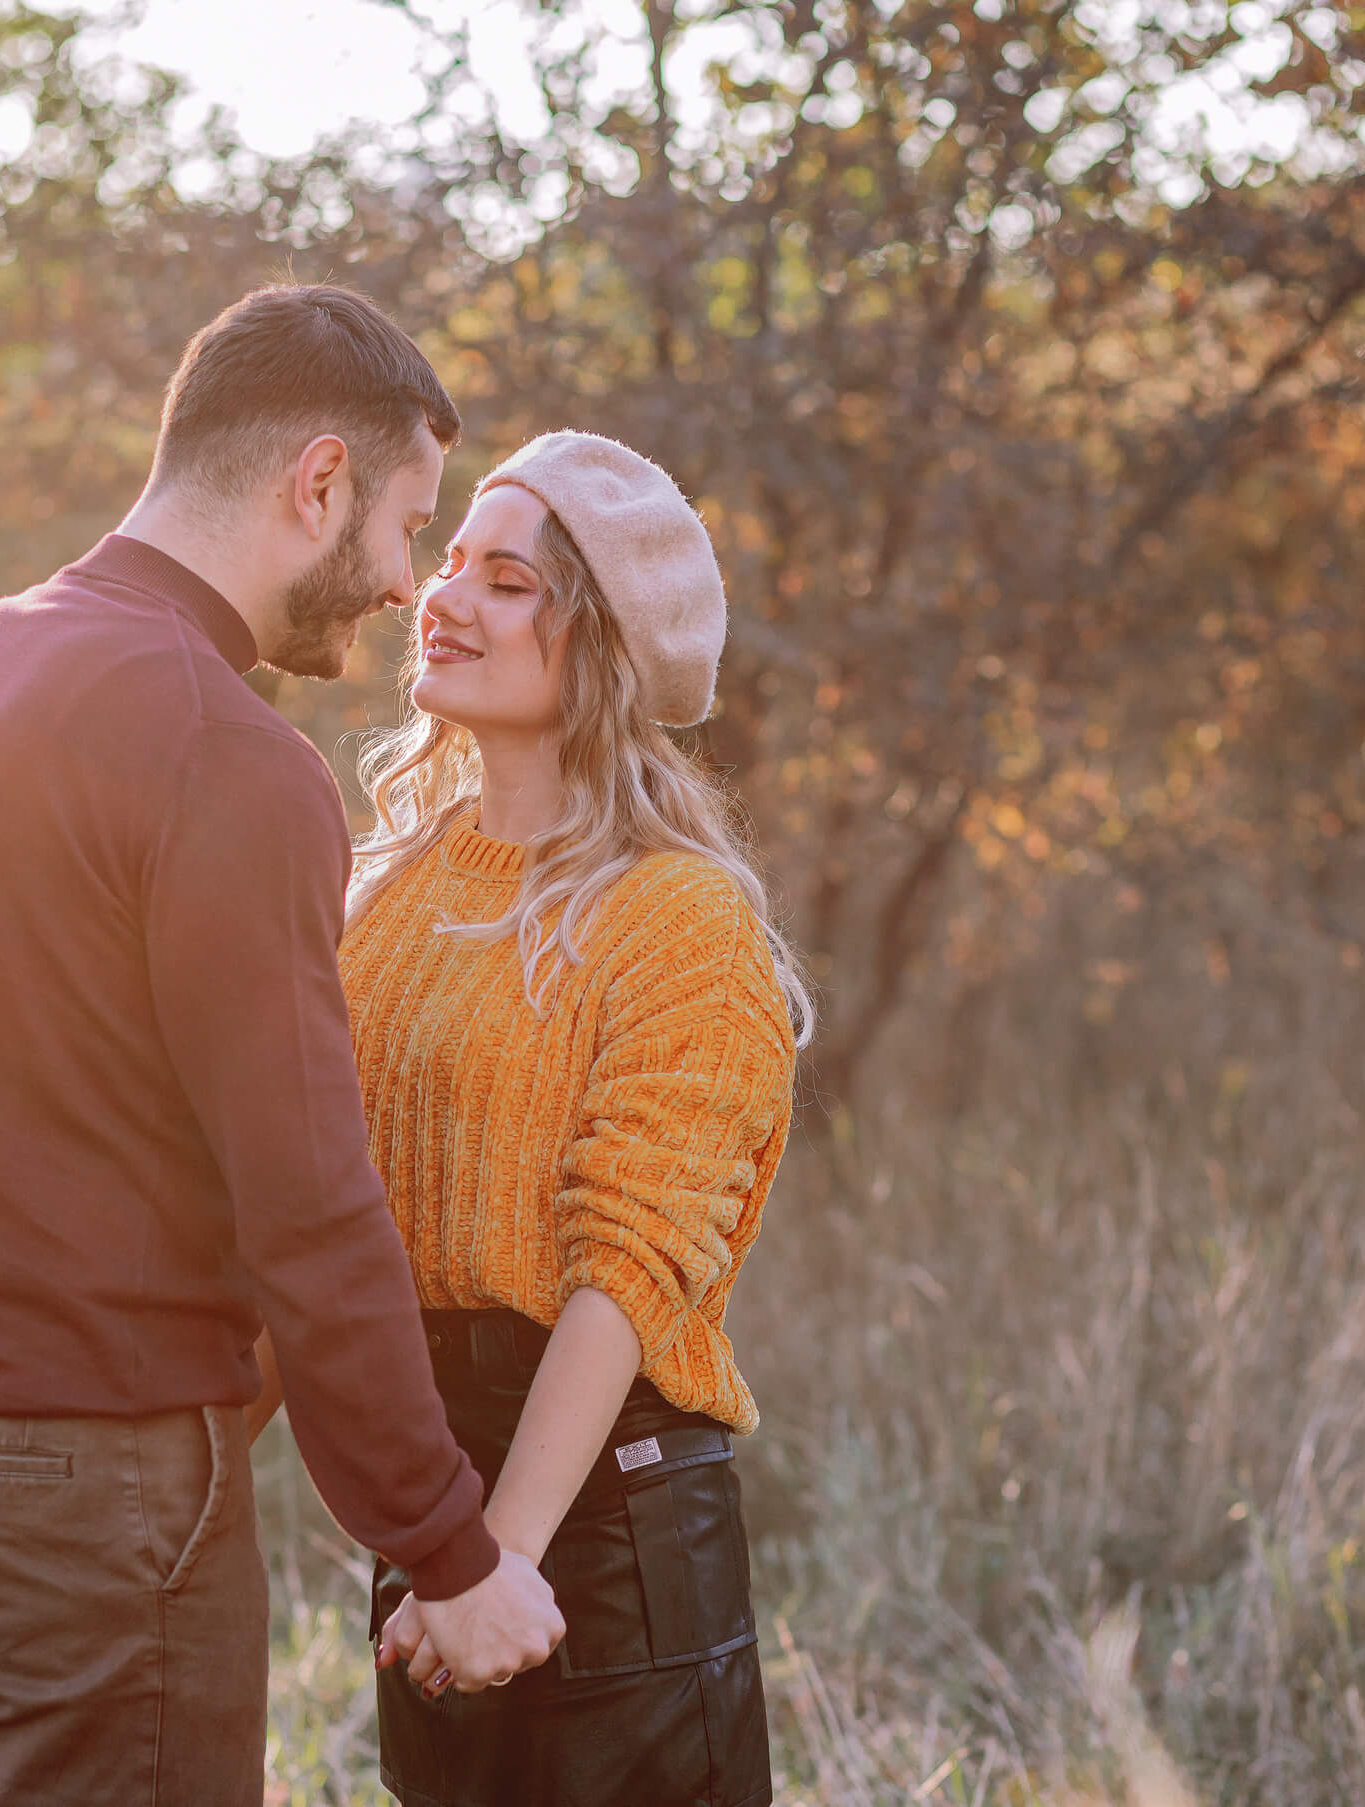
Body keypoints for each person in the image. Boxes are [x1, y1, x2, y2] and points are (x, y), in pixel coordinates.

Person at [0, 285, 563, 1807]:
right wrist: (446, 1548)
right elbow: (312, 1211)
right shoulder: (228, 755)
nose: (411, 585)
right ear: (316, 481)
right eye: (409, 525)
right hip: (74, 1497)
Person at [350, 432, 811, 1806]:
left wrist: (500, 1556)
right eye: (450, 565)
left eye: (508, 581)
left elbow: (630, 1268)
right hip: (432, 1503)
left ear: (599, 645)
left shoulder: (680, 916)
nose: (447, 600)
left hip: (608, 1525)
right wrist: (440, 1546)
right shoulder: (385, 894)